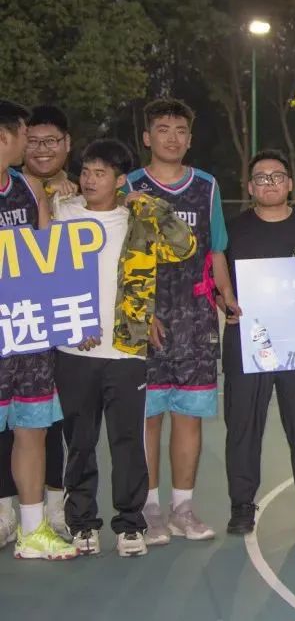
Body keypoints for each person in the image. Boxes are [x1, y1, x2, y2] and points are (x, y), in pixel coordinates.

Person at [53, 139, 197, 557]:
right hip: (74, 350)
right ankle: (82, 522)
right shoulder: (63, 212)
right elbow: (42, 268)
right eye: (86, 171)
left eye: (100, 173)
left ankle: (130, 524)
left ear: (120, 181)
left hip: (125, 351)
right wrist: (52, 188)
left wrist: (153, 205)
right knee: (79, 443)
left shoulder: (138, 220)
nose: (89, 179)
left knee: (127, 440)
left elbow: (184, 246)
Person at [125, 98, 239, 543]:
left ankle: (183, 507)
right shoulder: (129, 186)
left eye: (180, 130)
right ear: (146, 137)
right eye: (162, 129)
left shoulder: (206, 186)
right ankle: (150, 508)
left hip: (195, 317)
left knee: (189, 415)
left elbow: (216, 251)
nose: (172, 138)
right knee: (148, 416)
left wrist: (227, 297)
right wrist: (140, 311)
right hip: (144, 317)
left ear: (189, 139)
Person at [223, 151, 295, 534]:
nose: (269, 183)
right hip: (246, 342)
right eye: (261, 177)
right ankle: (242, 505)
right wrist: (223, 302)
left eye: (277, 176)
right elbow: (214, 279)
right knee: (243, 426)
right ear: (250, 186)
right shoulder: (231, 232)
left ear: (290, 183)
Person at [0, 100, 75, 560]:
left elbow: (51, 262)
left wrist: (68, 317)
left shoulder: (28, 189)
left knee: (32, 428)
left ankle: (32, 531)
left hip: (27, 332)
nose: (31, 143)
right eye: (25, 135)